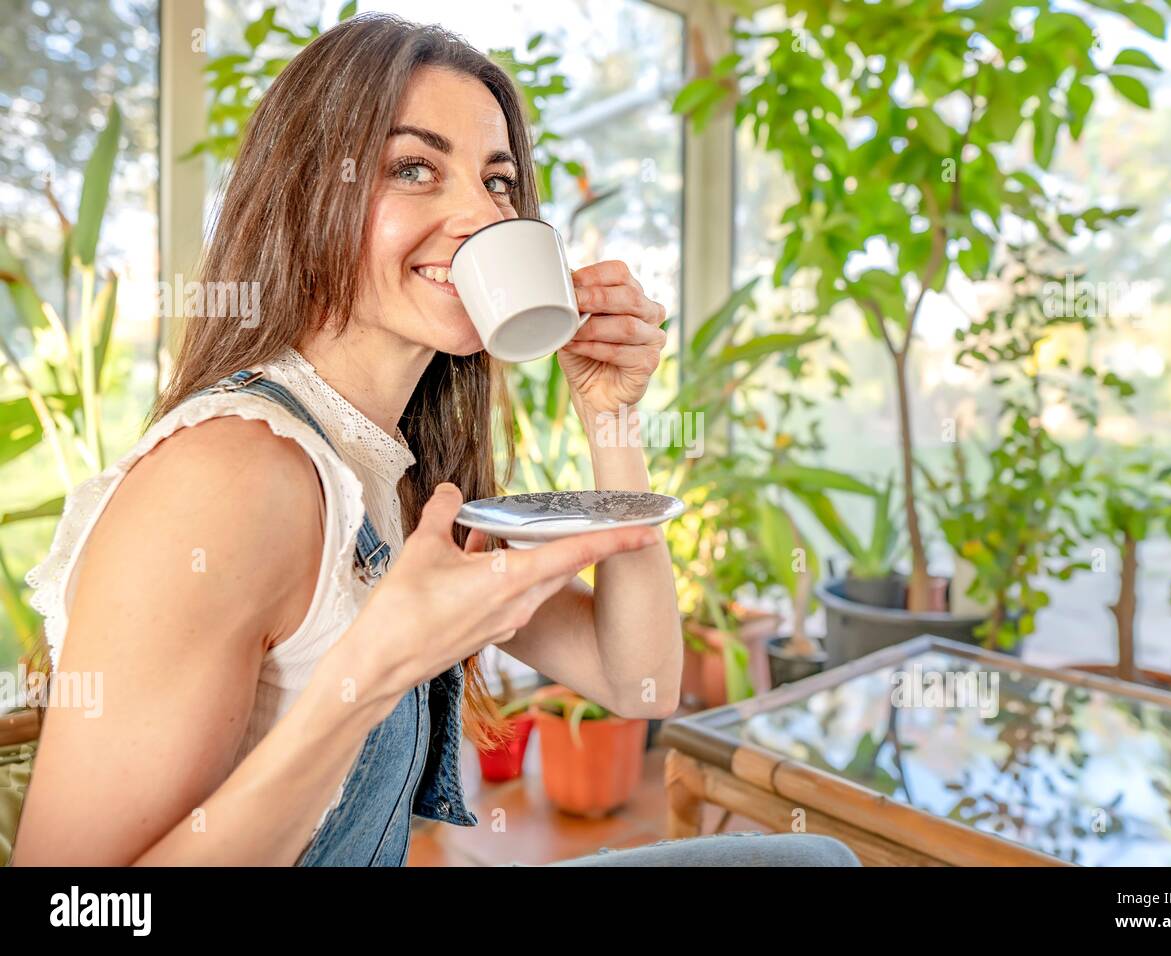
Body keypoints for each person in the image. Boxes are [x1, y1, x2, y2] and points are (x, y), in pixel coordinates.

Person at [11, 13, 858, 868]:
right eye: (413, 168)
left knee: (810, 862)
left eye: (498, 181)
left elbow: (637, 680)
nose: (482, 215)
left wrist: (611, 417)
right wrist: (370, 671)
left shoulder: (398, 473)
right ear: (305, 196)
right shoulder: (228, 478)